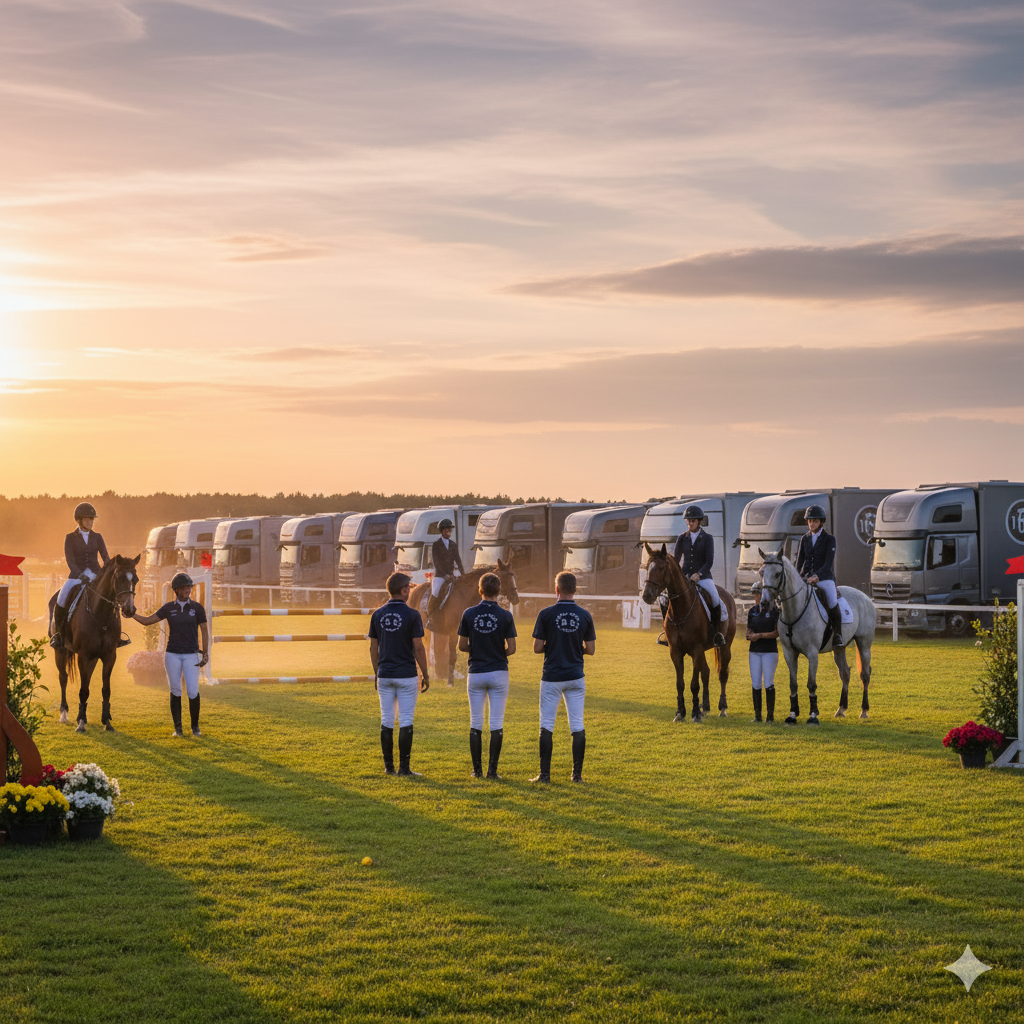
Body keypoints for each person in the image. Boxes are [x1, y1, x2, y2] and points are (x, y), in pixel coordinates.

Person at [530, 571, 596, 784]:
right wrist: (576, 648)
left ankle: (545, 775)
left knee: (547, 724)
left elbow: (537, 648)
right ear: (575, 590)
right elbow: (591, 649)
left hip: (552, 676)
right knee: (577, 724)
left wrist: (552, 645)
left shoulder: (546, 613)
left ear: (556, 589)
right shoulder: (585, 615)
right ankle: (576, 775)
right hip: (576, 675)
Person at [129, 572, 210, 737]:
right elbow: (147, 621)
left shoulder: (197, 608)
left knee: (193, 691)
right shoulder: (168, 608)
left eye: (189, 587)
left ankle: (195, 728)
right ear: (177, 590)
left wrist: (206, 652)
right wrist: (132, 615)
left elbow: (204, 630)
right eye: (184, 587)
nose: (187, 590)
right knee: (175, 690)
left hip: (191, 655)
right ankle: (178, 730)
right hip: (172, 654)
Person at [369, 571, 430, 777]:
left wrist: (378, 673)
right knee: (406, 719)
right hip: (406, 674)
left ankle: (389, 767)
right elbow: (418, 647)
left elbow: (373, 649)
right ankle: (404, 768)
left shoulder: (377, 614)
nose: (409, 591)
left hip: (385, 673)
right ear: (404, 590)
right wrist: (426, 673)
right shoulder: (412, 615)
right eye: (408, 588)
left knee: (386, 720)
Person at [457, 572, 517, 779]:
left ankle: (477, 770)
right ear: (499, 591)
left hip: (476, 672)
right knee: (496, 723)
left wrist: (478, 649)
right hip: (499, 672)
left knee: (476, 722)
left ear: (480, 590)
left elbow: (461, 645)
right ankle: (492, 771)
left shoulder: (468, 613)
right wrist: (497, 651)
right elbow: (512, 649)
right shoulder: (506, 615)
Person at [50, 501, 129, 650]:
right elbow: (70, 560)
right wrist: (80, 575)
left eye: (92, 519)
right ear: (79, 520)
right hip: (76, 576)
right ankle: (59, 635)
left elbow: (105, 557)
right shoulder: (70, 538)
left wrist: (108, 572)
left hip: (96, 575)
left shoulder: (97, 537)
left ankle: (116, 636)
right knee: (61, 599)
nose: (90, 522)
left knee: (111, 598)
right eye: (87, 519)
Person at [672, 505, 726, 647]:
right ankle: (668, 632)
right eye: (688, 521)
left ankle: (717, 633)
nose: (690, 523)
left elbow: (709, 561)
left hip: (703, 577)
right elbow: (676, 560)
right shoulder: (681, 538)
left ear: (699, 521)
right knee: (666, 599)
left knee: (715, 599)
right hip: (685, 577)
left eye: (693, 521)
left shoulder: (707, 538)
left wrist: (699, 574)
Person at [795, 503, 844, 647]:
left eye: (815, 521)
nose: (811, 523)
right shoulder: (805, 538)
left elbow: (828, 563)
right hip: (807, 578)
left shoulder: (829, 539)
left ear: (821, 522)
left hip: (824, 578)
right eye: (810, 521)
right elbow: (799, 563)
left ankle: (838, 634)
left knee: (832, 600)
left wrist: (817, 576)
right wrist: (799, 577)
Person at [746, 589, 780, 723]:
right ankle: (758, 716)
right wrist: (749, 634)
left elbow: (776, 633)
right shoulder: (752, 611)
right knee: (755, 683)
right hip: (754, 650)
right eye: (755, 595)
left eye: (759, 595)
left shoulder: (774, 611)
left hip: (769, 650)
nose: (757, 597)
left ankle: (770, 716)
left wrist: (759, 635)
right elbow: (749, 627)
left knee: (768, 682)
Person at [426, 518, 464, 630]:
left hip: (451, 575)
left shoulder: (453, 545)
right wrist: (444, 575)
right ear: (442, 531)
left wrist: (463, 574)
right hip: (440, 576)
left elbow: (458, 560)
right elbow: (436, 562)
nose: (448, 533)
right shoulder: (436, 545)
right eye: (446, 531)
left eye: (450, 531)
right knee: (436, 592)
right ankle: (430, 617)